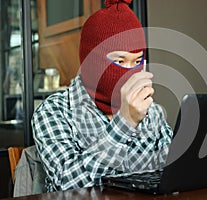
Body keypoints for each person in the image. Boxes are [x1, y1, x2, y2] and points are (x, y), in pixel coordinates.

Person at [31, 0, 173, 192]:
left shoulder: (151, 110)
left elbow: (174, 169)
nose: (131, 73)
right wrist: (125, 122)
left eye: (137, 61)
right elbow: (67, 183)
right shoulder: (54, 111)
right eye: (120, 61)